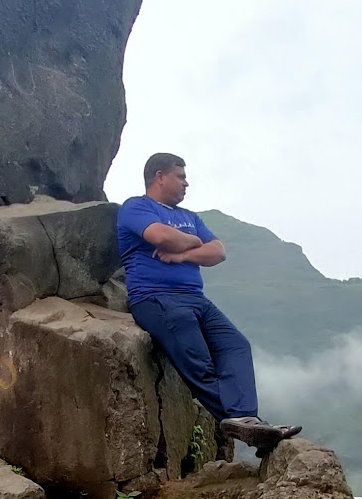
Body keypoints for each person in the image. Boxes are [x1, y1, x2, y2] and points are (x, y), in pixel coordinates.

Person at [116, 153, 301, 454]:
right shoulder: (135, 207)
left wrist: (182, 253)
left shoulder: (191, 217)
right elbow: (161, 236)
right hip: (154, 297)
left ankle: (247, 420)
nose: (186, 182)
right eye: (181, 176)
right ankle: (243, 421)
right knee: (196, 356)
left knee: (236, 345)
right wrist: (191, 241)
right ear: (160, 176)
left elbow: (217, 252)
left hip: (195, 298)